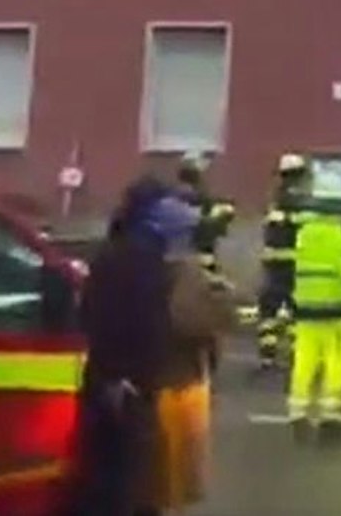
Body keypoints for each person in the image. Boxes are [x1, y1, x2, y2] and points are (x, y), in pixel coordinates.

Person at [72, 177, 172, 516]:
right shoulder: (132, 257)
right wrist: (119, 376)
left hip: (125, 378)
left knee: (121, 469)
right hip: (122, 381)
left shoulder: (135, 252)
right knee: (120, 470)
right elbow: (106, 318)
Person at [147, 194, 238, 514]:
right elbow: (210, 320)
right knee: (173, 475)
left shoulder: (140, 267)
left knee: (162, 476)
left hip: (156, 381)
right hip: (179, 382)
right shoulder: (186, 274)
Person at [287, 170, 341, 443]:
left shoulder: (305, 233)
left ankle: (298, 412)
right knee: (335, 360)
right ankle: (330, 414)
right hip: (336, 307)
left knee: (304, 360)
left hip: (306, 305)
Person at [256, 153, 311, 370]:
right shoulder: (302, 201)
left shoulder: (275, 200)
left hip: (272, 262)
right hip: (295, 262)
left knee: (268, 309)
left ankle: (267, 355)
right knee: (295, 308)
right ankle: (295, 354)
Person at [174, 153, 237, 278]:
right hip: (195, 241)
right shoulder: (189, 193)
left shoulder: (187, 190)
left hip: (195, 241)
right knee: (205, 261)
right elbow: (201, 213)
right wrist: (222, 214)